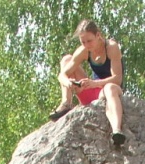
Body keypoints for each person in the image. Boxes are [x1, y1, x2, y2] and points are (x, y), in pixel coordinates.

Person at [49, 18, 126, 147]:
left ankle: (116, 131)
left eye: (89, 41)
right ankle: (66, 103)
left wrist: (95, 83)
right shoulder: (84, 51)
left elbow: (117, 79)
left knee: (109, 88)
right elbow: (62, 75)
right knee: (67, 59)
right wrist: (69, 83)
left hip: (108, 90)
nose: (86, 45)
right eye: (83, 42)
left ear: (98, 35)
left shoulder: (111, 47)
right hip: (91, 91)